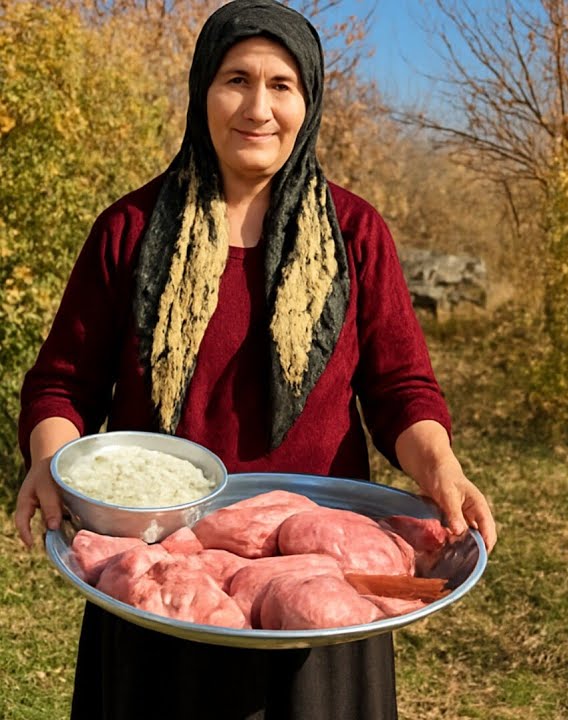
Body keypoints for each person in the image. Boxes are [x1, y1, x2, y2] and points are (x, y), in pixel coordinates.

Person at [12, 1, 496, 717]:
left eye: (282, 85)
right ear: (202, 90)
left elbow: (400, 387)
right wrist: (52, 462)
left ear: (310, 102)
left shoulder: (355, 233)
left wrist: (440, 467)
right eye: (236, 79)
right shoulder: (132, 230)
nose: (258, 107)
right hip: (156, 567)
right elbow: (63, 385)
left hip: (322, 579)